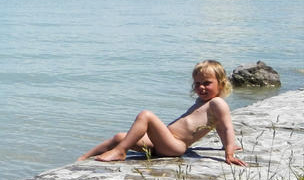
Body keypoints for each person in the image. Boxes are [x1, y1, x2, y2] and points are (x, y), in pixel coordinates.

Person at [79, 60, 246, 166]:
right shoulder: (202, 102)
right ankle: (83, 158)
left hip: (174, 146)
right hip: (163, 142)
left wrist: (229, 152)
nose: (201, 87)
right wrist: (225, 144)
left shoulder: (218, 103)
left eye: (207, 83)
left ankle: (120, 152)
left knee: (146, 115)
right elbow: (215, 125)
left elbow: (226, 127)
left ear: (221, 83)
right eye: (197, 83)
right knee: (119, 137)